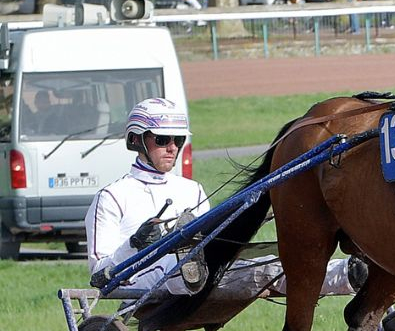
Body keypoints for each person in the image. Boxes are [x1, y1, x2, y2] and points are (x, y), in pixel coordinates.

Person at [86, 98, 361, 299]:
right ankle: (189, 267)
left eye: (178, 140)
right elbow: (99, 274)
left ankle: (348, 273)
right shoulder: (111, 197)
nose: (172, 148)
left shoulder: (191, 189)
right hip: (145, 283)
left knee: (267, 269)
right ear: (136, 140)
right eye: (162, 140)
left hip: (204, 274)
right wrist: (134, 245)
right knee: (189, 267)